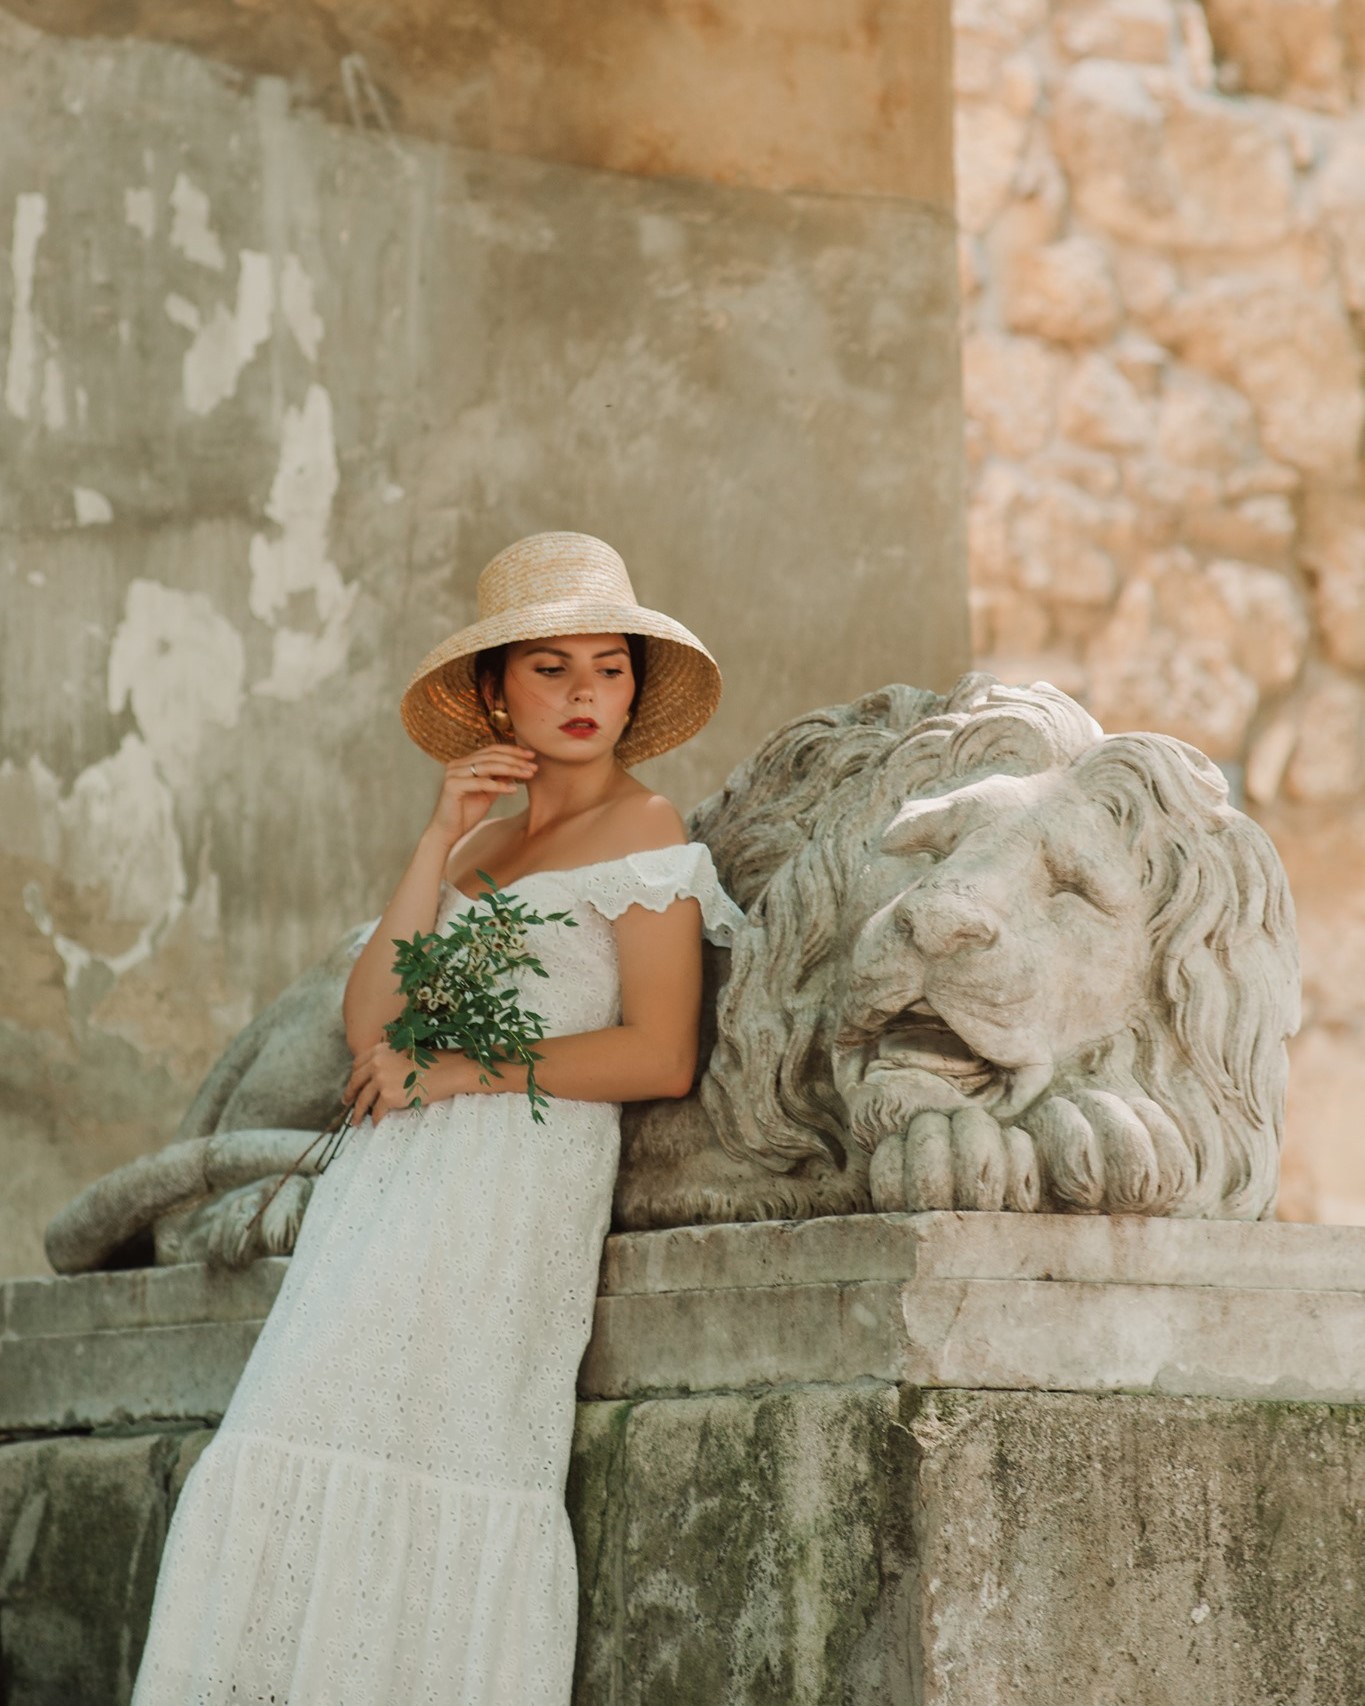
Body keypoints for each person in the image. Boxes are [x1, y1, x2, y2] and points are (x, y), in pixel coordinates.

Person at [131, 532, 743, 1705]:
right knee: (278, 1447)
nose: (583, 695)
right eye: (551, 667)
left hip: (504, 1200)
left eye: (609, 667)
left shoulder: (648, 830)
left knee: (446, 1473)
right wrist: (432, 837)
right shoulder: (479, 844)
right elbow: (370, 1023)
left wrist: (460, 1072)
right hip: (385, 1195)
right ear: (493, 690)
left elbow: (659, 1053)